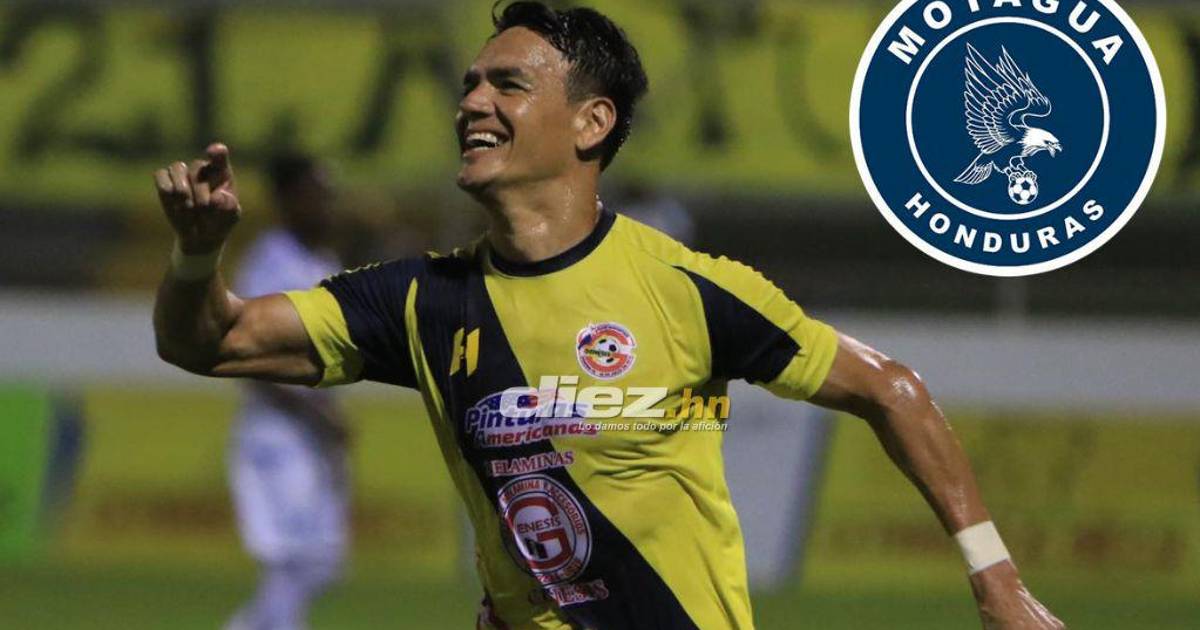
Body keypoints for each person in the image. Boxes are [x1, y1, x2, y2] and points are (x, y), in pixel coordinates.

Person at [151, 3, 1063, 628]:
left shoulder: (688, 289)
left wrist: (996, 579)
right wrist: (197, 255)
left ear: (591, 123)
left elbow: (892, 389)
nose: (471, 103)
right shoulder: (422, 298)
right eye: (470, 84)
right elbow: (210, 341)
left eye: (507, 85)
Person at [223, 154, 349, 630]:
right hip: (277, 432)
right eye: (316, 195)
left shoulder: (323, 262)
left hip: (314, 433)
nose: (327, 205)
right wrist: (317, 413)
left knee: (324, 561)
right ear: (288, 199)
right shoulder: (269, 264)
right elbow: (250, 358)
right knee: (293, 559)